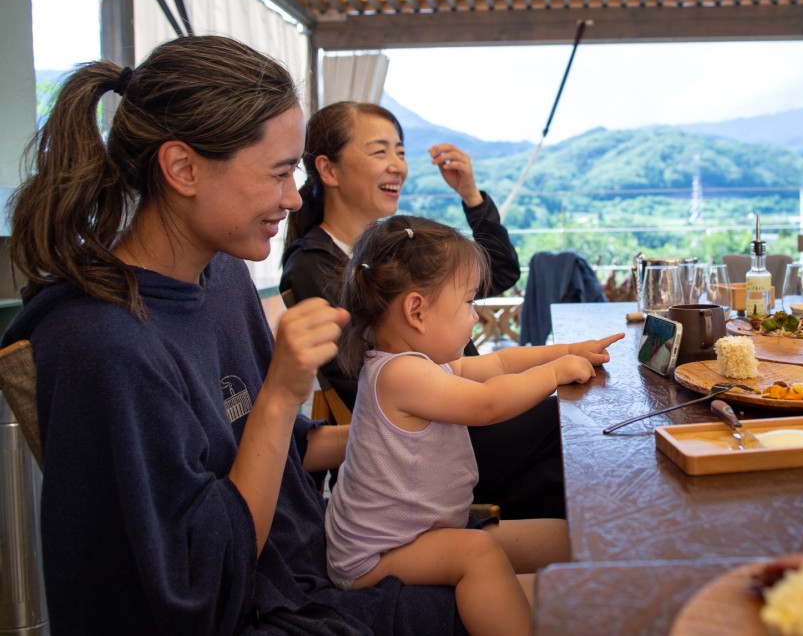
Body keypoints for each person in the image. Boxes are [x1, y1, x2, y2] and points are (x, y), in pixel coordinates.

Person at [1, 35, 465, 634]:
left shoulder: (220, 277)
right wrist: (278, 392)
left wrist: (403, 420)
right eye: (277, 172)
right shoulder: (102, 344)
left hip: (306, 574)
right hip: (260, 611)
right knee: (554, 603)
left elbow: (272, 448)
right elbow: (196, 589)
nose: (293, 198)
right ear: (183, 168)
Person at [324, 215, 623, 636]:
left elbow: (499, 362)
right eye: (467, 303)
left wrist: (570, 349)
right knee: (477, 554)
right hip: (375, 556)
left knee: (565, 537)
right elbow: (487, 404)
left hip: (425, 531)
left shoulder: (425, 363)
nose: (475, 317)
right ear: (416, 311)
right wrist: (556, 373)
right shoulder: (400, 376)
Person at [280, 102, 564, 519]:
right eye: (380, 152)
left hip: (460, 411)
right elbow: (362, 383)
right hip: (429, 442)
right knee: (567, 427)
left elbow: (501, 270)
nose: (397, 165)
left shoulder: (389, 250)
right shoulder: (313, 265)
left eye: (400, 151)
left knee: (570, 424)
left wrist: (470, 195)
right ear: (328, 169)